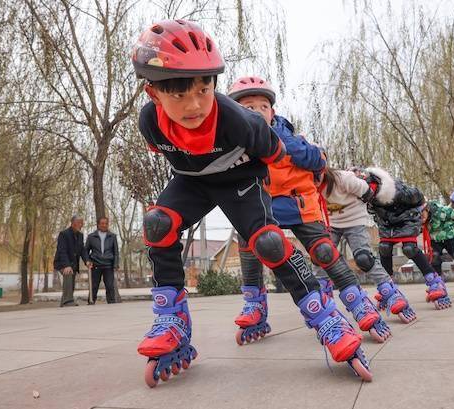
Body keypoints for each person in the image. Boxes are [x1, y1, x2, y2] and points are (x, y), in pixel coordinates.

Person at [131, 21, 371, 387]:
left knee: (267, 242)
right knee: (158, 224)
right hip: (192, 181)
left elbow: (275, 156)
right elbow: (179, 161)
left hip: (241, 181)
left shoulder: (242, 122)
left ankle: (326, 318)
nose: (194, 105)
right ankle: (172, 318)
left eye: (203, 88)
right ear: (153, 93)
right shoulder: (150, 123)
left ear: (213, 82)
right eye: (178, 95)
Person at [228, 77, 390, 343]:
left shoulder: (288, 138)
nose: (256, 112)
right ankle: (255, 304)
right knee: (248, 243)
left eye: (262, 107)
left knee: (325, 252)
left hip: (298, 204)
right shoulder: (233, 145)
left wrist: (282, 143)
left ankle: (357, 301)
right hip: (261, 204)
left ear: (273, 113)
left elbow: (319, 159)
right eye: (248, 108)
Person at [318, 166, 417, 323]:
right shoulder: (305, 184)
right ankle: (323, 297)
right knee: (321, 255)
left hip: (355, 221)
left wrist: (361, 180)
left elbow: (368, 193)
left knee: (363, 258)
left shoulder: (343, 179)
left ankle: (390, 291)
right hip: (331, 223)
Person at [362, 167, 452, 310]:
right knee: (384, 248)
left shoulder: (398, 190)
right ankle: (387, 285)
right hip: (387, 222)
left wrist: (423, 210)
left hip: (407, 218)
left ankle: (434, 282)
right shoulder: (365, 194)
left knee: (409, 248)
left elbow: (418, 196)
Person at [53, 215, 89, 307]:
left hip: (73, 264)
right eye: (80, 223)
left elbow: (82, 250)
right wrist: (66, 265)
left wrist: (87, 261)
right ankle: (68, 301)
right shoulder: (64, 234)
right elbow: (62, 251)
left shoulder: (80, 235)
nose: (81, 225)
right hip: (62, 263)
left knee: (70, 284)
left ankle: (63, 303)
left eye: (82, 223)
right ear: (73, 223)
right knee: (68, 273)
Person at [85, 217, 119, 304]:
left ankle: (111, 302)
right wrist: (87, 261)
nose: (104, 225)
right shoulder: (91, 237)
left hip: (108, 265)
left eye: (106, 223)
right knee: (94, 285)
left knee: (110, 286)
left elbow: (116, 252)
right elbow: (85, 251)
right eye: (102, 223)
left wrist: (115, 264)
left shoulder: (112, 236)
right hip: (95, 264)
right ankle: (91, 301)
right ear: (98, 224)